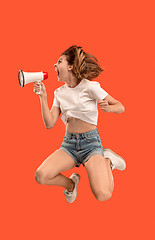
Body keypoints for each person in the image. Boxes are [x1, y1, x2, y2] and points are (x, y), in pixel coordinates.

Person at [34, 45, 126, 203]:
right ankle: (71, 184)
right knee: (41, 175)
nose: (55, 65)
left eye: (59, 61)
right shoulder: (59, 93)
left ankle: (108, 161)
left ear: (70, 66)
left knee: (103, 195)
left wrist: (108, 108)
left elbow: (120, 106)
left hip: (90, 144)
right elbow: (49, 124)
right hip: (69, 144)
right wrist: (43, 97)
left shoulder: (89, 87)